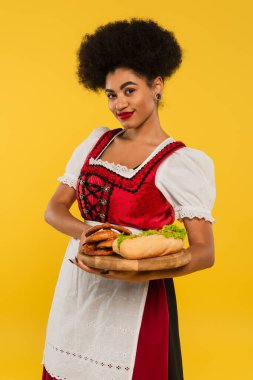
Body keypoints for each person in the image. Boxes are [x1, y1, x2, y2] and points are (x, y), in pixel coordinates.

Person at [41, 18, 216, 380]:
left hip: (139, 302)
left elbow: (204, 252)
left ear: (157, 86)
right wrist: (89, 234)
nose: (119, 103)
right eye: (110, 94)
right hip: (78, 288)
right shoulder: (95, 143)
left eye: (129, 90)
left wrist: (138, 269)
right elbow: (54, 209)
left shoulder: (178, 162)